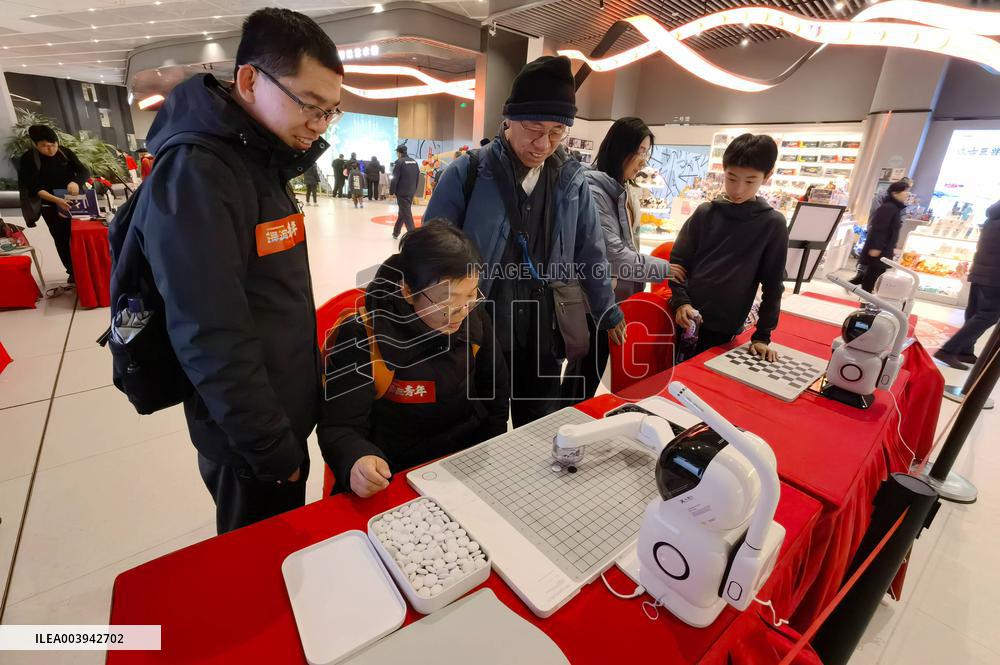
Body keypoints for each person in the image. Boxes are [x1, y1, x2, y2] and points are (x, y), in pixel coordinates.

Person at [128, 7, 343, 533]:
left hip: (277, 420)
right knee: (257, 568)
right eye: (309, 106)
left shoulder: (258, 159)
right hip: (250, 440)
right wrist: (272, 451)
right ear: (249, 79)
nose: (318, 126)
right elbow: (210, 334)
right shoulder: (200, 174)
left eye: (330, 112)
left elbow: (270, 298)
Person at [424, 55, 623, 427]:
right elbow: (431, 248)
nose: (543, 143)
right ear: (509, 119)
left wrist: (606, 308)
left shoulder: (573, 182)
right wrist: (434, 311)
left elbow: (590, 250)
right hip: (482, 322)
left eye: (556, 132)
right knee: (482, 424)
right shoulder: (467, 173)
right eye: (534, 128)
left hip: (545, 329)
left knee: (541, 425)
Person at [318, 220, 509, 497]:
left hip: (465, 462)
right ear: (408, 291)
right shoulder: (363, 336)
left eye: (470, 295)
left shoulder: (472, 316)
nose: (461, 312)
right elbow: (339, 427)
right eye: (448, 302)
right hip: (396, 476)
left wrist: (491, 450)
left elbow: (497, 392)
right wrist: (358, 460)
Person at [562, 117, 684, 402]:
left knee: (591, 370)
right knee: (584, 372)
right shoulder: (594, 190)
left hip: (612, 298)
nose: (643, 160)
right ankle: (564, 426)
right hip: (595, 299)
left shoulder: (619, 187)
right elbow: (614, 255)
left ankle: (571, 420)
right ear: (620, 149)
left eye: (646, 152)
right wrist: (664, 269)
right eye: (639, 151)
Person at [668, 133, 788, 362]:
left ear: (767, 176)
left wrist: (762, 336)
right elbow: (678, 263)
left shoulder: (772, 224)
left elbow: (773, 285)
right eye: (731, 178)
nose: (738, 189)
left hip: (726, 327)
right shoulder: (706, 212)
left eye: (750, 181)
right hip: (684, 319)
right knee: (675, 379)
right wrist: (681, 301)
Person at [17, 124, 90, 284]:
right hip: (49, 206)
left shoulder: (65, 152)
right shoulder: (29, 159)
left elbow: (84, 171)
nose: (50, 150)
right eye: (45, 146)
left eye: (53, 145)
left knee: (79, 235)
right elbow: (34, 188)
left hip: (74, 202)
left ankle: (87, 268)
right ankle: (72, 271)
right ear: (36, 145)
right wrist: (57, 201)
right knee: (61, 238)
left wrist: (76, 182)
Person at [934, 201, 1000, 370]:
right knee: (988, 315)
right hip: (994, 276)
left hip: (981, 273)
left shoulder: (992, 218)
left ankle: (965, 350)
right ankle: (948, 350)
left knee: (975, 312)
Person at [851, 180, 910, 293]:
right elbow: (879, 228)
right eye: (905, 191)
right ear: (895, 193)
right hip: (879, 249)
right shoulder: (888, 207)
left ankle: (858, 288)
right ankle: (865, 300)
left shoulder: (895, 208)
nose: (907, 194)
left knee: (875, 275)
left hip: (884, 248)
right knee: (872, 276)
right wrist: (876, 247)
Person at [390, 145, 420, 240]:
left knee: (406, 214)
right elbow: (418, 177)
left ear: (399, 153)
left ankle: (414, 236)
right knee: (403, 212)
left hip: (402, 193)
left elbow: (394, 179)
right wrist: (415, 190)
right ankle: (396, 232)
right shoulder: (414, 162)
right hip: (411, 191)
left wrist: (391, 192)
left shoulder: (399, 162)